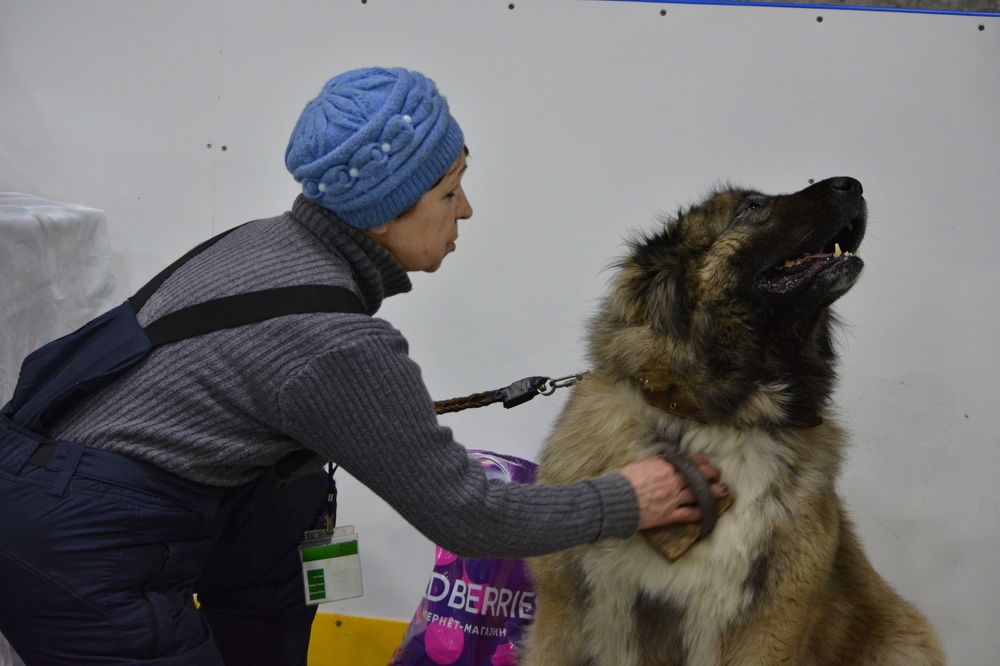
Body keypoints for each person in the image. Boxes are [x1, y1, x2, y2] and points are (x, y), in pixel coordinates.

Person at [0, 66, 728, 665]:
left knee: (279, 536)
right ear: (383, 213)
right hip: (80, 554)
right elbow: (470, 516)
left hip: (48, 486)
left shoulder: (261, 244)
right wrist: (631, 499)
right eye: (448, 191)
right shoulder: (339, 343)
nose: (465, 210)